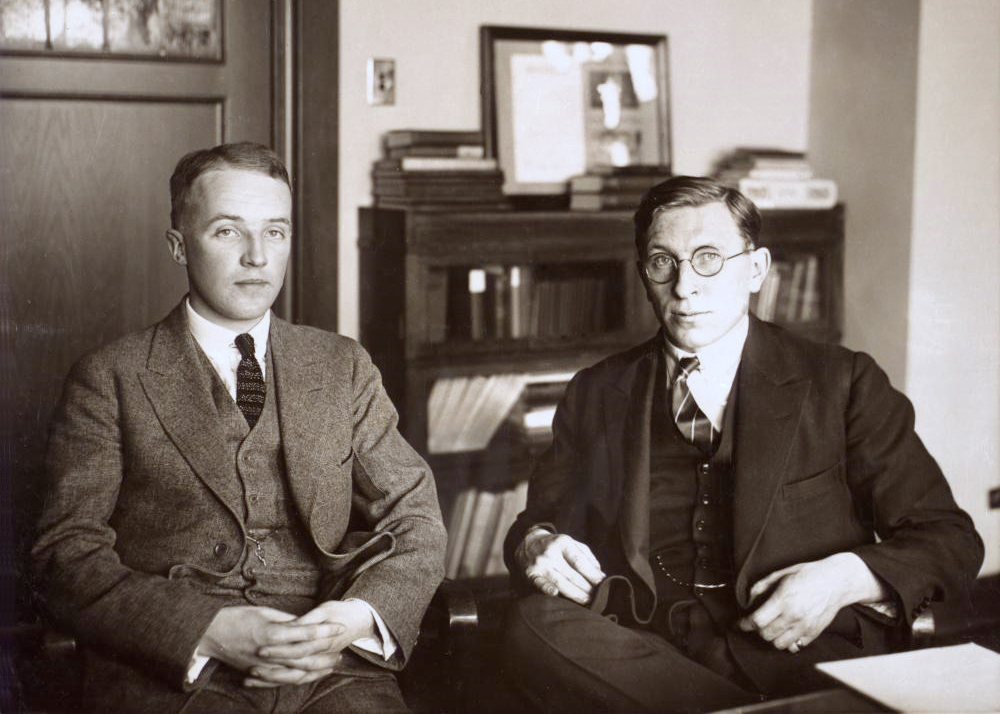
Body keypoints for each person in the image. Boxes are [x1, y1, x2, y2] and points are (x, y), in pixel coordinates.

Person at [502, 176, 983, 712]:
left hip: (797, 652)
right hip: (643, 646)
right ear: (643, 274)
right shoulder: (596, 391)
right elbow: (538, 524)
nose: (684, 286)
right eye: (663, 261)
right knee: (530, 625)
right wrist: (537, 545)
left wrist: (844, 578)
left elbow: (950, 540)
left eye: (708, 258)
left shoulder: (842, 383)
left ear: (755, 269)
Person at [32, 142, 447, 714]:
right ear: (179, 246)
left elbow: (414, 514)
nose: (258, 257)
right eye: (229, 231)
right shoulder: (111, 377)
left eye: (275, 232)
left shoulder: (341, 365)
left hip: (329, 665)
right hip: (176, 669)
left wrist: (351, 620)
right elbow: (64, 552)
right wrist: (208, 629)